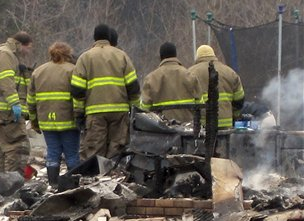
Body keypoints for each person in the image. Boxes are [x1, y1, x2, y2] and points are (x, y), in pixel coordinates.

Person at [71, 24, 141, 160]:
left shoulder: (85, 58)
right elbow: (133, 87)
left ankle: (96, 177)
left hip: (95, 112)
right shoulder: (122, 56)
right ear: (109, 37)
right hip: (119, 111)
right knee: (117, 150)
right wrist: (135, 111)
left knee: (94, 151)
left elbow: (78, 90)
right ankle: (114, 176)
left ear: (94, 37)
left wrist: (79, 113)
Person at [27, 42, 80, 188]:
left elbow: (31, 101)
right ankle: (72, 186)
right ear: (68, 53)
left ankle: (53, 184)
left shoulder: (38, 72)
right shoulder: (73, 70)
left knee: (52, 152)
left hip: (46, 121)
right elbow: (78, 98)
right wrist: (81, 118)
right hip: (69, 121)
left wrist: (34, 121)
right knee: (72, 154)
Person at [0, 32, 33, 174]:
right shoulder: (5, 54)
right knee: (18, 145)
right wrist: (15, 103)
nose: (28, 52)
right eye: (28, 48)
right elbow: (6, 81)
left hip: (1, 107)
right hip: (5, 108)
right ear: (20, 44)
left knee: (4, 147)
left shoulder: (9, 55)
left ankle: (1, 183)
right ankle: (12, 184)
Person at [140, 42, 202, 124]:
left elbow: (144, 109)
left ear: (161, 57)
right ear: (175, 55)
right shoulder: (190, 76)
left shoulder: (151, 79)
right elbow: (200, 104)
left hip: (161, 130)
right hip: (188, 129)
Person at [189, 44, 245, 129]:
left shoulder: (190, 73)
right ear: (213, 55)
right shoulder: (230, 72)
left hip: (203, 126)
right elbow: (239, 99)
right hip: (226, 125)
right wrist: (235, 115)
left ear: (197, 57)